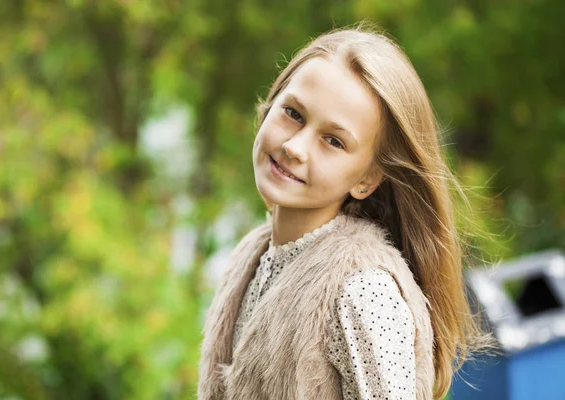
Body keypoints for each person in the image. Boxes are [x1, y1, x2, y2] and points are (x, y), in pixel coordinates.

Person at [197, 23, 496, 400]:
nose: (295, 146)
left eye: (333, 141)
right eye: (293, 113)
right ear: (270, 104)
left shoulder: (365, 291)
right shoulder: (250, 256)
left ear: (367, 179)